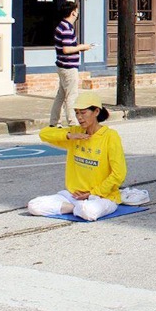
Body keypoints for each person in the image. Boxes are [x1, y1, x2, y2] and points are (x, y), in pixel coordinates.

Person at [28, 92, 126, 221]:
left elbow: (119, 173)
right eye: (77, 113)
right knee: (34, 206)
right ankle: (74, 208)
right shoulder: (75, 133)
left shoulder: (110, 136)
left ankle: (77, 208)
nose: (79, 117)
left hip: (101, 197)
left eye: (83, 112)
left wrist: (93, 193)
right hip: (73, 196)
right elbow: (44, 134)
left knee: (88, 212)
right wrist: (68, 136)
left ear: (96, 111)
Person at [50, 1, 93, 127]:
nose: (78, 13)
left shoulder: (61, 26)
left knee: (61, 95)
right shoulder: (66, 28)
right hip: (68, 67)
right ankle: (73, 122)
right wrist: (81, 47)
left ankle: (54, 122)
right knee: (71, 96)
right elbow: (67, 49)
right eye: (77, 10)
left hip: (62, 65)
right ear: (73, 12)